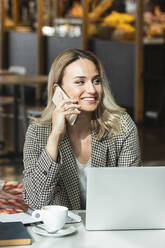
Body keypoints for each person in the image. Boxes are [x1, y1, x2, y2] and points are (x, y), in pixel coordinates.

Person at [23, 49, 141, 210]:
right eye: (80, 82)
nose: (92, 90)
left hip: (107, 225)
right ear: (58, 90)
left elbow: (130, 192)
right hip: (58, 231)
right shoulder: (38, 132)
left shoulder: (121, 125)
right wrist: (55, 137)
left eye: (96, 81)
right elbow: (35, 201)